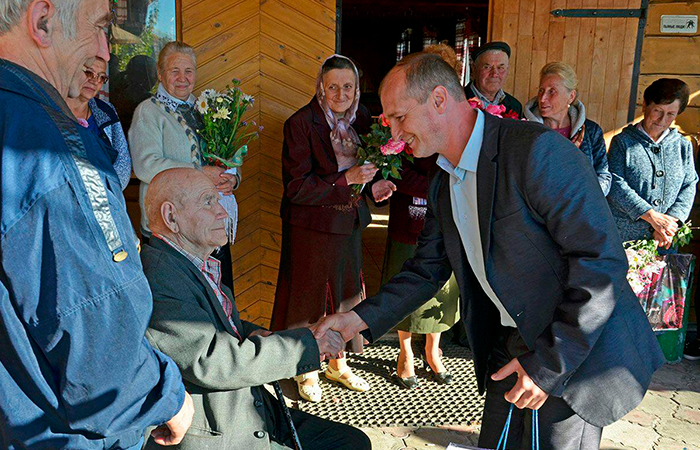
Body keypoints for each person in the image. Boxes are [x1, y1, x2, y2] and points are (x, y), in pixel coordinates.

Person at [312, 53, 665, 450]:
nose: (393, 132)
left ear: (440, 99)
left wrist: (548, 366)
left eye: (398, 117)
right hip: (510, 344)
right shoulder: (443, 179)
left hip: (570, 352)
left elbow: (601, 264)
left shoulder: (536, 152)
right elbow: (424, 271)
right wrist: (354, 320)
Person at [0, 1, 193, 449]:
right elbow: (98, 339)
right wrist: (164, 396)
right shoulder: (50, 149)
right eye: (101, 28)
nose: (107, 52)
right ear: (43, 20)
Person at [141, 168, 372, 450]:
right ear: (171, 217)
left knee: (351, 442)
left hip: (246, 406)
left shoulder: (189, 262)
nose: (223, 213)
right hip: (220, 428)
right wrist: (306, 346)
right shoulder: (160, 276)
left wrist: (263, 333)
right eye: (208, 202)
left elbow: (223, 326)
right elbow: (212, 361)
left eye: (218, 201)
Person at [270, 54, 395, 402]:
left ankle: (337, 363)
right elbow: (296, 187)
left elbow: (369, 172)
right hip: (310, 226)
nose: (341, 93)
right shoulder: (300, 123)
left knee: (345, 295)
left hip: (349, 221)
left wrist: (374, 188)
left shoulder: (365, 119)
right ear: (321, 88)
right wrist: (346, 178)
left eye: (348, 86)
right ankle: (307, 367)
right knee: (309, 301)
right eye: (333, 86)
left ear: (356, 89)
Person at [129, 41, 238, 291]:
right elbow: (147, 165)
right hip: (172, 229)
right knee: (182, 305)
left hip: (211, 225)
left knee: (221, 298)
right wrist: (201, 173)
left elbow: (225, 155)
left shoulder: (207, 109)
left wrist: (231, 177)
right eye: (174, 71)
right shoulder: (148, 112)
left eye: (188, 71)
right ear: (160, 73)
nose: (182, 78)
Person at [384, 43, 461, 389]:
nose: (395, 132)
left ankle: (433, 349)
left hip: (444, 215)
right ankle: (405, 352)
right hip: (409, 216)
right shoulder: (404, 130)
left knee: (443, 294)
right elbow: (394, 167)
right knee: (408, 278)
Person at [607, 78, 697, 248]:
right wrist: (651, 217)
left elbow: (689, 184)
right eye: (658, 110)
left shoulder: (682, 146)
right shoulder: (623, 142)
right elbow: (615, 183)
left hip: (665, 239)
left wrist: (670, 224)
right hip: (625, 239)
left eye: (671, 114)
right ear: (645, 106)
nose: (662, 119)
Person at [523, 62, 611, 195]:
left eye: (552, 91)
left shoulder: (590, 132)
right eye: (541, 90)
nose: (542, 98)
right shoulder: (525, 129)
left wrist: (584, 199)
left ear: (571, 96)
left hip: (579, 210)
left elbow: (603, 175)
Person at [66, 56, 132, 190]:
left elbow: (122, 164)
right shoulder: (53, 109)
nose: (94, 81)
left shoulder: (106, 111)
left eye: (101, 77)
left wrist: (106, 191)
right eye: (89, 73)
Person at [465, 41, 522, 118]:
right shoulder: (458, 100)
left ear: (507, 70)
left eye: (500, 68)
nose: (494, 74)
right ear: (474, 68)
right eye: (487, 67)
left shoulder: (515, 106)